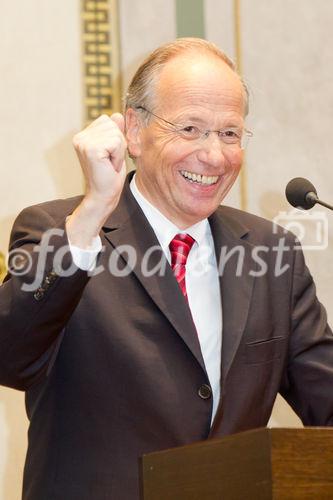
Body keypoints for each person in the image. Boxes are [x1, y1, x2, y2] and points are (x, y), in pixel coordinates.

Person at [1, 38, 333, 500]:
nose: (214, 156)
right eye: (191, 128)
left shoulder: (273, 252)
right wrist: (93, 212)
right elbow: (10, 357)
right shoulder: (62, 230)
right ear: (133, 130)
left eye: (230, 133)